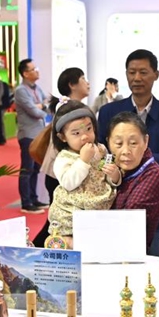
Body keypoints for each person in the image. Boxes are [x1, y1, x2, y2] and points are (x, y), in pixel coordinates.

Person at [97, 49, 159, 256]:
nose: (137, 78)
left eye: (143, 72)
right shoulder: (108, 112)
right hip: (113, 207)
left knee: (154, 271)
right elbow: (100, 152)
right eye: (131, 72)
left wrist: (141, 161)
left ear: (156, 74)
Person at [45, 101, 121, 248]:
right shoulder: (64, 157)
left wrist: (115, 175)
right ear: (63, 137)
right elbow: (68, 182)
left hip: (99, 205)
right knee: (71, 241)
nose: (85, 136)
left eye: (88, 129)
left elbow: (105, 177)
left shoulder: (101, 149)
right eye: (76, 133)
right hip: (73, 210)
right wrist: (83, 160)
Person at [33, 67, 92, 246]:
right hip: (61, 174)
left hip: (64, 172)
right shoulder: (69, 109)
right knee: (57, 221)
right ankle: (37, 249)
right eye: (82, 78)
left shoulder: (70, 107)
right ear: (72, 84)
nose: (87, 83)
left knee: (57, 221)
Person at [108, 111, 159, 250]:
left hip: (128, 254)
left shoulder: (154, 175)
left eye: (133, 143)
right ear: (108, 142)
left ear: (145, 141)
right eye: (118, 143)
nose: (125, 151)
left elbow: (127, 223)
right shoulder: (109, 166)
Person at [14, 58, 51, 214]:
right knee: (27, 169)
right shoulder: (21, 90)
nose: (37, 70)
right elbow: (34, 112)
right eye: (33, 68)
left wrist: (41, 106)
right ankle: (26, 202)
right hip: (28, 134)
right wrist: (41, 106)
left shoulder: (37, 88)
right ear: (25, 73)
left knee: (36, 168)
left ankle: (34, 198)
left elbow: (47, 104)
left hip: (39, 134)